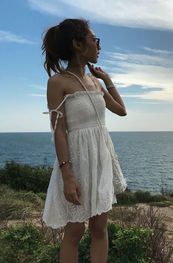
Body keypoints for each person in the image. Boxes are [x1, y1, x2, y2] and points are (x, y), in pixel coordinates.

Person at [41, 18, 127, 262]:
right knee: (75, 230)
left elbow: (121, 110)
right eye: (94, 40)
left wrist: (107, 79)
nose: (98, 46)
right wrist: (67, 176)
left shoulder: (96, 83)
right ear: (77, 45)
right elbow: (58, 131)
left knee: (100, 228)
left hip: (101, 159)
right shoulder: (58, 82)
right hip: (76, 162)